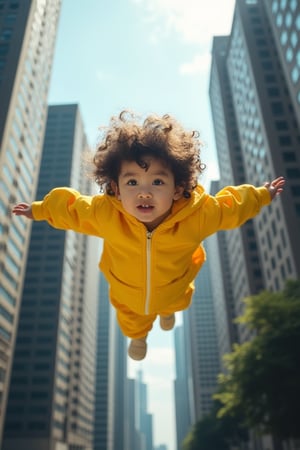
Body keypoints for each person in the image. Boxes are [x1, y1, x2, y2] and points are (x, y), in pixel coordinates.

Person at [12, 110, 285, 361]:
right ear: (116, 189)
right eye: (132, 182)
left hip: (175, 285)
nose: (144, 192)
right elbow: (71, 209)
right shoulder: (105, 214)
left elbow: (231, 207)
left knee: (178, 300)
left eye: (157, 182)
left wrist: (262, 194)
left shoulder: (199, 215)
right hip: (127, 291)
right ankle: (139, 336)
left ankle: (167, 313)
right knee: (131, 319)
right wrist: (39, 210)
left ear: (177, 189)